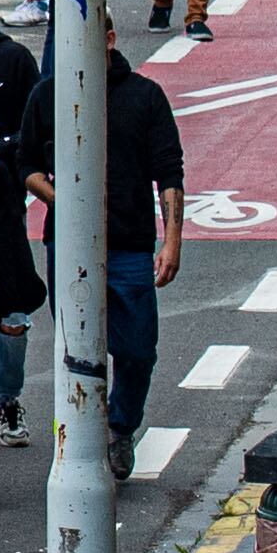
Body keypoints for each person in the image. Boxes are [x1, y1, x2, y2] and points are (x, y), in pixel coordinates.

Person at [19, 33, 188, 486]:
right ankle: (79, 435)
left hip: (131, 245)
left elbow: (169, 171)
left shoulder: (145, 96)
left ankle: (119, 425)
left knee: (136, 350)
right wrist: (65, 201)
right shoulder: (49, 94)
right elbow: (27, 165)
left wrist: (171, 239)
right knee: (74, 347)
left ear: (110, 38)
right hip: (69, 246)